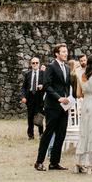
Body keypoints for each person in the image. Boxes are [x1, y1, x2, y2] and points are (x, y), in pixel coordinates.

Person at [35, 43, 72, 171]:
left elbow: (66, 87)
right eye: (63, 52)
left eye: (66, 51)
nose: (66, 54)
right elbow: (47, 85)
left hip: (64, 106)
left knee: (61, 134)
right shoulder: (51, 67)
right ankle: (39, 161)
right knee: (49, 133)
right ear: (57, 54)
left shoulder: (67, 68)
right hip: (52, 106)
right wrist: (58, 98)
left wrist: (68, 103)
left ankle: (54, 162)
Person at [22, 57, 45, 140]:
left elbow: (48, 84)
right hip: (30, 96)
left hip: (39, 96)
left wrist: (43, 86)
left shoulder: (43, 73)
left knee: (39, 116)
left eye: (36, 63)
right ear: (30, 64)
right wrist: (23, 97)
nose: (35, 64)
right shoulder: (28, 74)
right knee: (30, 116)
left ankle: (41, 133)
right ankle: (30, 134)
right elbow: (24, 87)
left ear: (39, 63)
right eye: (33, 63)